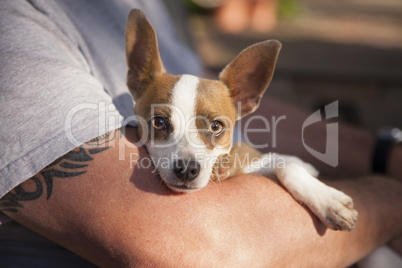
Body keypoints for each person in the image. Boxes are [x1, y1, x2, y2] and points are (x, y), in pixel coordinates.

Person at [0, 0, 401, 267]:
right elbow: (186, 249)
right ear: (136, 81)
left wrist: (381, 152)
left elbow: (280, 162)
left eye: (212, 129)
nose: (187, 160)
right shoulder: (16, 28)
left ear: (246, 98)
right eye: (162, 125)